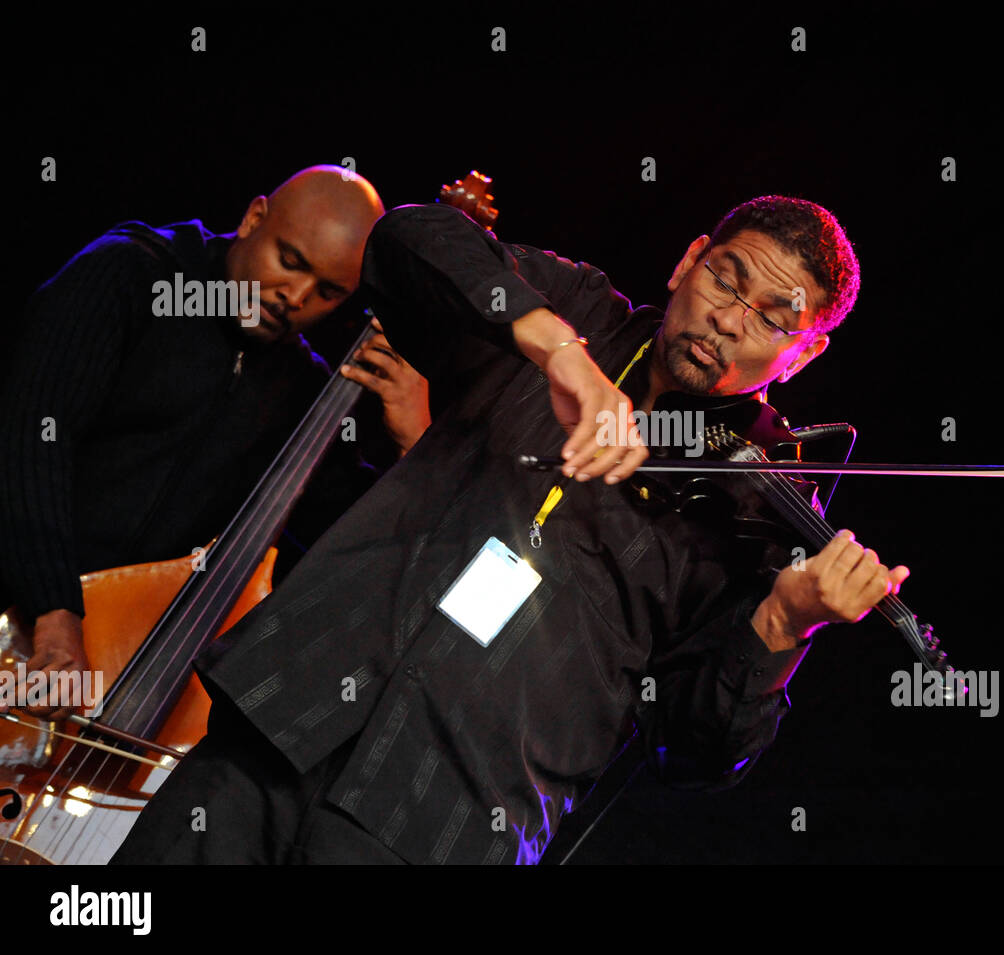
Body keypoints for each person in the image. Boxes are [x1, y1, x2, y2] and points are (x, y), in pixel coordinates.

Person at [108, 194, 910, 865]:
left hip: (443, 818)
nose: (729, 319)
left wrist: (780, 623)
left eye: (772, 319)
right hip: (294, 712)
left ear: (804, 354)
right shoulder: (579, 306)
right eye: (725, 280)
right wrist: (558, 351)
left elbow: (694, 751)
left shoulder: (756, 506)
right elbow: (410, 239)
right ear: (688, 261)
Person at [0, 165, 431, 722]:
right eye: (290, 261)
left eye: (327, 292)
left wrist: (413, 442)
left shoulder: (303, 389)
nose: (294, 297)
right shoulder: (130, 274)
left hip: (116, 675)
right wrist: (54, 613)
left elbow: (348, 552)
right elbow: (29, 446)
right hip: (27, 623)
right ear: (254, 218)